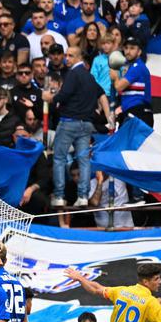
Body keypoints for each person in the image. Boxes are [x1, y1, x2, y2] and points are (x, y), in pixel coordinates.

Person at [43, 46, 112, 208]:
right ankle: (82, 196)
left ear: (79, 58)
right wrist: (109, 118)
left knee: (59, 158)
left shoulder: (73, 74)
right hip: (86, 124)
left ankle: (59, 196)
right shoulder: (89, 77)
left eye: (70, 55)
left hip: (69, 121)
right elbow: (101, 94)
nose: (66, 58)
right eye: (66, 55)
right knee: (84, 161)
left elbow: (63, 96)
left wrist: (50, 97)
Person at [112, 37, 152, 126]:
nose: (128, 51)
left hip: (137, 112)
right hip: (134, 111)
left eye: (132, 48)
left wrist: (115, 76)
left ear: (139, 52)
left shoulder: (136, 67)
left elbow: (119, 86)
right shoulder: (132, 67)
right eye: (126, 48)